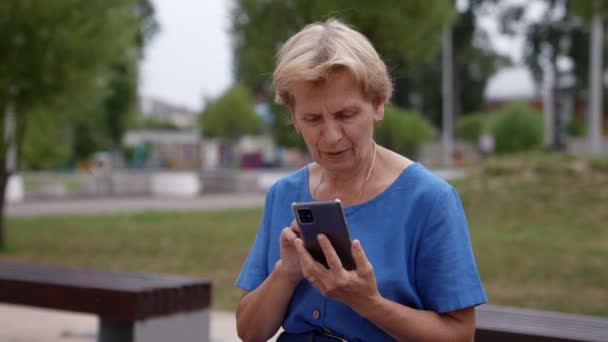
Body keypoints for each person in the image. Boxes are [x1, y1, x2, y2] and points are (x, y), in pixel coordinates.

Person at [236, 18, 487, 341]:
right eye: (312, 118)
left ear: (378, 104)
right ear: (293, 119)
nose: (330, 136)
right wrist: (287, 272)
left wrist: (368, 303)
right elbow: (249, 332)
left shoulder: (429, 200)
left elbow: (459, 335)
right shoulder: (283, 194)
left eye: (345, 115)